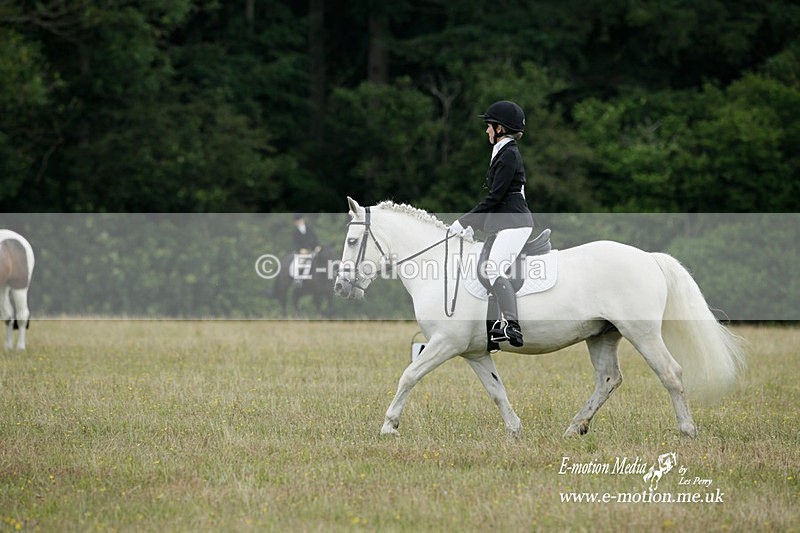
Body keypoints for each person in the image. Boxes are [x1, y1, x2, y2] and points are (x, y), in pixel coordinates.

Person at [448, 100, 534, 347]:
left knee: (493, 268)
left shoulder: (509, 155)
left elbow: (495, 197)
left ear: (500, 128)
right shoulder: (502, 152)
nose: (486, 130)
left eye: (489, 126)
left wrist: (463, 221)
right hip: (505, 222)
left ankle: (511, 325)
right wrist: (473, 225)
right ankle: (492, 328)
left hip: (515, 223)